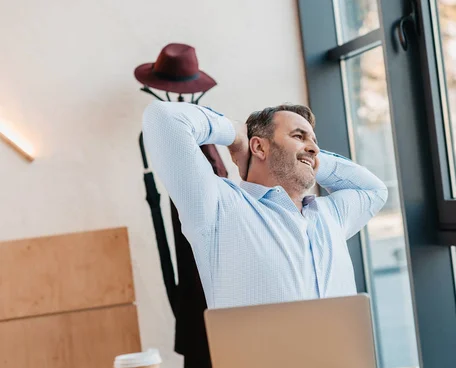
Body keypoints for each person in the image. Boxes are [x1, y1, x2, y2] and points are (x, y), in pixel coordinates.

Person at [142, 100, 388, 309]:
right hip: (260, 366)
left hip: (342, 364)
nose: (314, 148)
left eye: (314, 141)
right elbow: (162, 118)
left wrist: (309, 155)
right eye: (298, 136)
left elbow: (374, 189)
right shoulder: (218, 208)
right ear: (259, 146)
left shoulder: (331, 215)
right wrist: (236, 134)